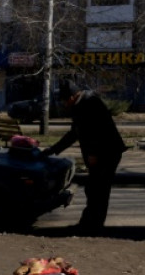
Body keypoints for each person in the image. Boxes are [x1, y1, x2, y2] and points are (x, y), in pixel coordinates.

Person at [40, 79, 127, 234]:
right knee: (94, 189)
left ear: (73, 96)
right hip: (100, 153)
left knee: (98, 189)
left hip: (106, 152)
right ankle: (89, 223)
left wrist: (93, 153)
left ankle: (93, 226)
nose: (64, 104)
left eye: (64, 100)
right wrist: (54, 149)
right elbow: (75, 133)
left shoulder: (90, 103)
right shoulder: (80, 104)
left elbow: (98, 130)